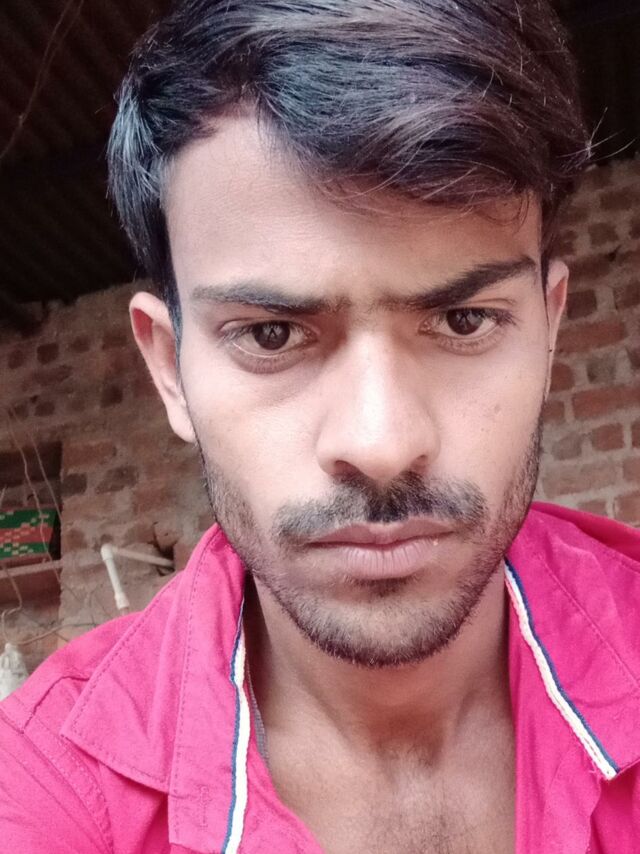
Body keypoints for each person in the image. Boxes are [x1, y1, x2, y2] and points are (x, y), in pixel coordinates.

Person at [1, 1, 639, 851]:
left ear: (549, 331)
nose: (381, 444)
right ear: (169, 370)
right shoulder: (50, 789)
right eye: (272, 335)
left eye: (464, 321)